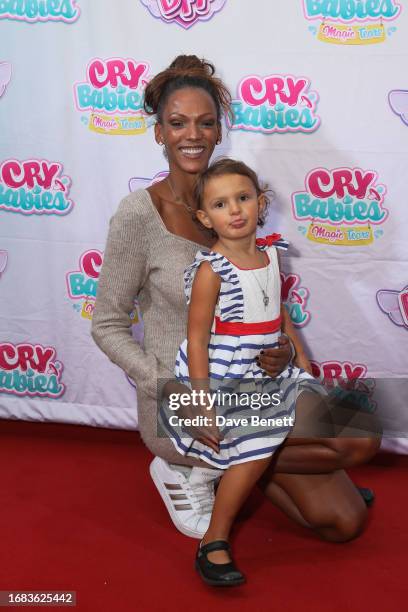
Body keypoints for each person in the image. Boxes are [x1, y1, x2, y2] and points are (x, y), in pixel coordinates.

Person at [91, 54, 380, 549]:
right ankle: (182, 464)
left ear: (220, 129)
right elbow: (107, 325)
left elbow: (265, 300)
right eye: (177, 123)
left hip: (254, 392)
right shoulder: (137, 217)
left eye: (206, 122)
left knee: (344, 519)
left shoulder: (230, 198)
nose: (193, 135)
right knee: (350, 441)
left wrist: (287, 353)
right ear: (159, 132)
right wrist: (164, 389)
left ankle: (226, 472)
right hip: (187, 400)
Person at [160, 157, 338, 586]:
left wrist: (298, 351)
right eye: (221, 204)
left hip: (268, 364)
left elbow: (277, 310)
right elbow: (198, 339)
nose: (235, 210)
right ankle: (213, 540)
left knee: (328, 415)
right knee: (255, 447)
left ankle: (298, 474)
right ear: (205, 217)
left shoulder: (271, 253)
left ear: (261, 203)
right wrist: (202, 400)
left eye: (242, 198)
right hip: (227, 372)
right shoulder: (211, 270)